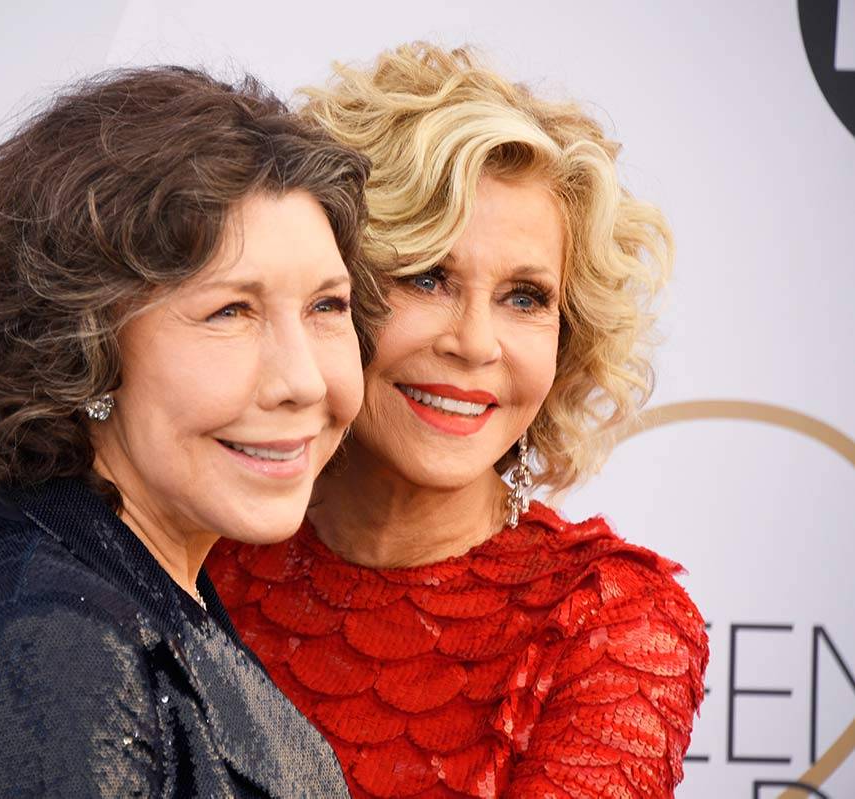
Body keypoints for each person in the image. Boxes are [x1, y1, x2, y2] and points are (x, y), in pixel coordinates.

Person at [0, 65, 388, 798]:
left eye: (327, 306)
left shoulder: (127, 584)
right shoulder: (54, 651)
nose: (304, 380)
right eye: (230, 312)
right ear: (81, 348)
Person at [206, 43, 708, 799]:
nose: (474, 342)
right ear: (322, 298)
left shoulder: (612, 623)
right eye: (427, 277)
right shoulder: (196, 548)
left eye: (525, 297)